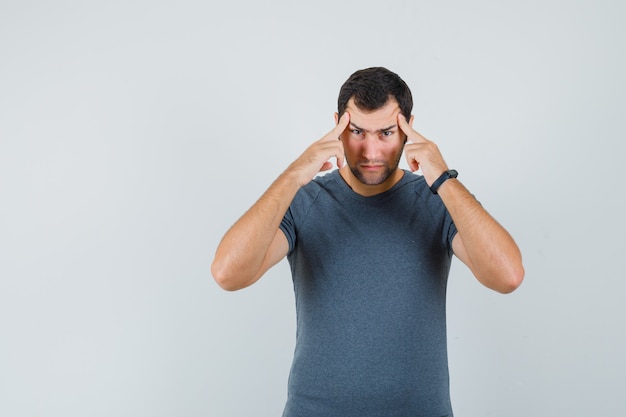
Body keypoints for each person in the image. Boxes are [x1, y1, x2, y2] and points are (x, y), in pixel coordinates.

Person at [211, 67, 524, 416]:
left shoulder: (437, 201)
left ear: (409, 128)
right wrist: (295, 174)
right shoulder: (304, 201)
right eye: (357, 131)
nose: (370, 151)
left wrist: (444, 178)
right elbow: (228, 273)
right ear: (337, 125)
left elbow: (508, 275)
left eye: (386, 133)